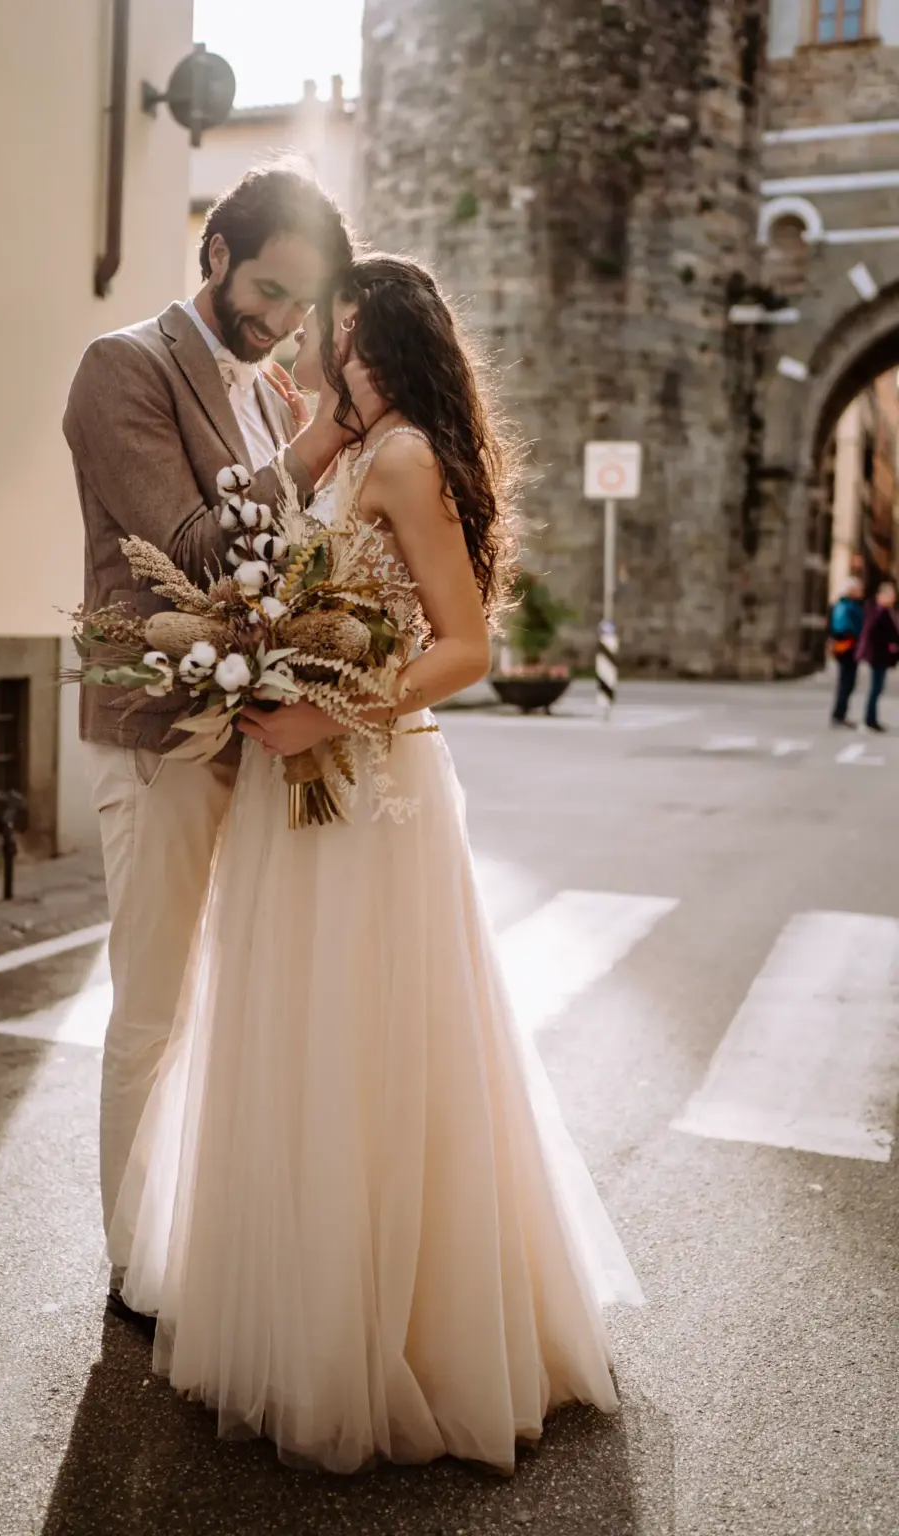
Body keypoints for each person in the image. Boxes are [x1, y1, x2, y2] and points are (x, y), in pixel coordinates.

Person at [109, 255, 643, 1475]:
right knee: (303, 1043)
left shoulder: (402, 459)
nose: (316, 354)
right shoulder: (358, 453)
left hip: (371, 793)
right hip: (312, 792)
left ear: (382, 348)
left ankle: (389, 1331)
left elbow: (462, 647)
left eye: (338, 338)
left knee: (367, 1045)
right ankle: (309, 1303)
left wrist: (320, 717)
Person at [62, 166, 384, 1325]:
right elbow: (197, 546)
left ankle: (196, 1230)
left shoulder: (262, 389)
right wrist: (316, 446)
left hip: (253, 734)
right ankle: (131, 1266)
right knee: (153, 1004)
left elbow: (283, 558)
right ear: (215, 254)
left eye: (303, 307)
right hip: (158, 735)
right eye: (268, 293)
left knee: (232, 1005)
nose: (285, 325)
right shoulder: (122, 369)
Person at [856, 578, 899, 733]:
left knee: (878, 688)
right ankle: (869, 719)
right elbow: (874, 634)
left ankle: (872, 718)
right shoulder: (879, 612)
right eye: (890, 595)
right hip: (878, 656)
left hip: (882, 656)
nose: (893, 598)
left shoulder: (887, 611)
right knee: (876, 688)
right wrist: (890, 644)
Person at [827, 576, 865, 728]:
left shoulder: (851, 604)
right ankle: (838, 715)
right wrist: (854, 636)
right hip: (847, 647)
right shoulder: (846, 605)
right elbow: (843, 627)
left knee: (848, 682)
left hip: (849, 646)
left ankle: (840, 714)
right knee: (846, 682)